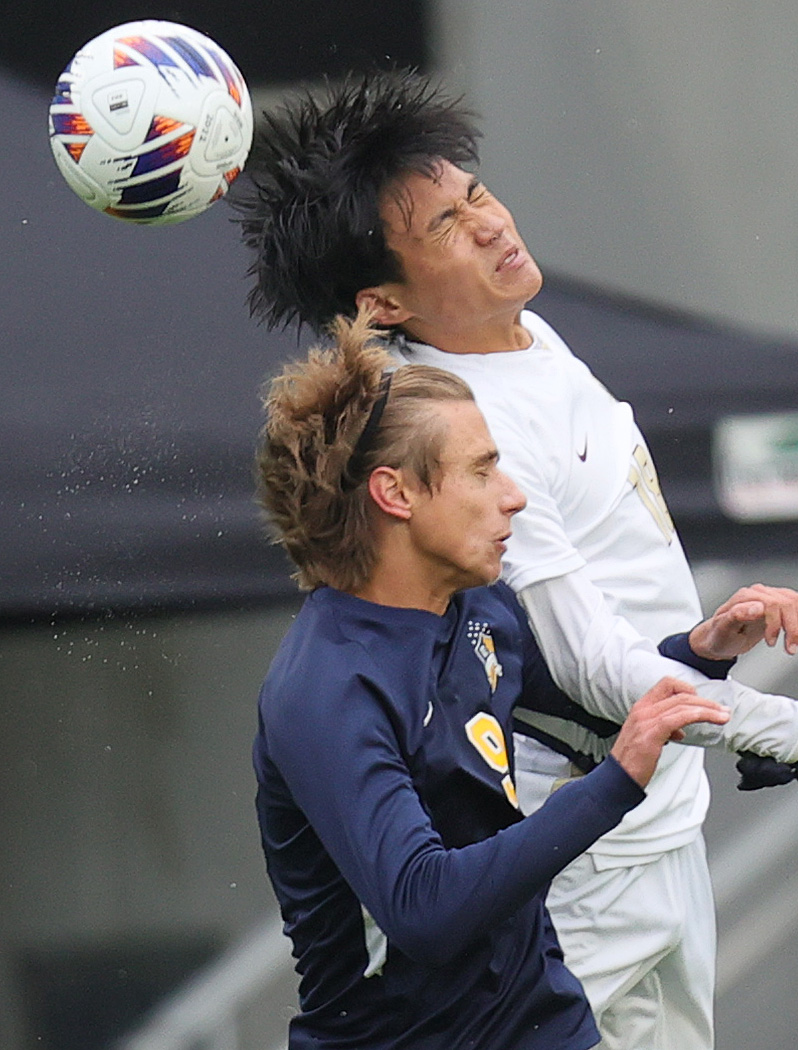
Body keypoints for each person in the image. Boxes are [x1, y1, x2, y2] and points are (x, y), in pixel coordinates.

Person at [235, 71, 798, 1049]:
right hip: (586, 858)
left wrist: (703, 661)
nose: (490, 223)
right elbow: (584, 671)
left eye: (476, 194)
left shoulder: (528, 337)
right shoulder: (449, 431)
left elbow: (574, 641)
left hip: (660, 811)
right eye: (446, 227)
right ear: (383, 301)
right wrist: (793, 732)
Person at [251, 310, 733, 1050]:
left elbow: (590, 713)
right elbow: (424, 909)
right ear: (396, 494)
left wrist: (702, 653)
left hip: (544, 1024)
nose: (514, 495)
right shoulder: (326, 688)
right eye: (481, 470)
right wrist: (613, 784)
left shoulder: (478, 607)